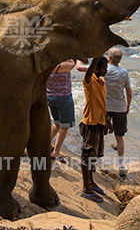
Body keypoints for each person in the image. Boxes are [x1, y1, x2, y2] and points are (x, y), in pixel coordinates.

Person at [79, 55, 108, 203]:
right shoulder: (89, 80)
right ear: (96, 68)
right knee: (87, 157)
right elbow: (89, 72)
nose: (106, 70)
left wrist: (107, 121)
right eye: (104, 67)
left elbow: (102, 103)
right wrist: (96, 56)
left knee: (94, 156)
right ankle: (86, 189)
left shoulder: (101, 81)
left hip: (99, 123)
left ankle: (91, 182)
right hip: (90, 124)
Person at [103, 47, 132, 176]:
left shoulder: (104, 70)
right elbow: (129, 92)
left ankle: (98, 161)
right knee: (119, 137)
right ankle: (121, 166)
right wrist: (128, 105)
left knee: (100, 134)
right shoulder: (124, 73)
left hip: (105, 108)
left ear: (108, 58)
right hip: (120, 108)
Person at [46, 59, 77, 162]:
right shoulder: (65, 65)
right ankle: (56, 152)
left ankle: (45, 144)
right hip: (64, 98)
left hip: (50, 97)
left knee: (57, 123)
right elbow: (73, 61)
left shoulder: (47, 65)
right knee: (64, 126)